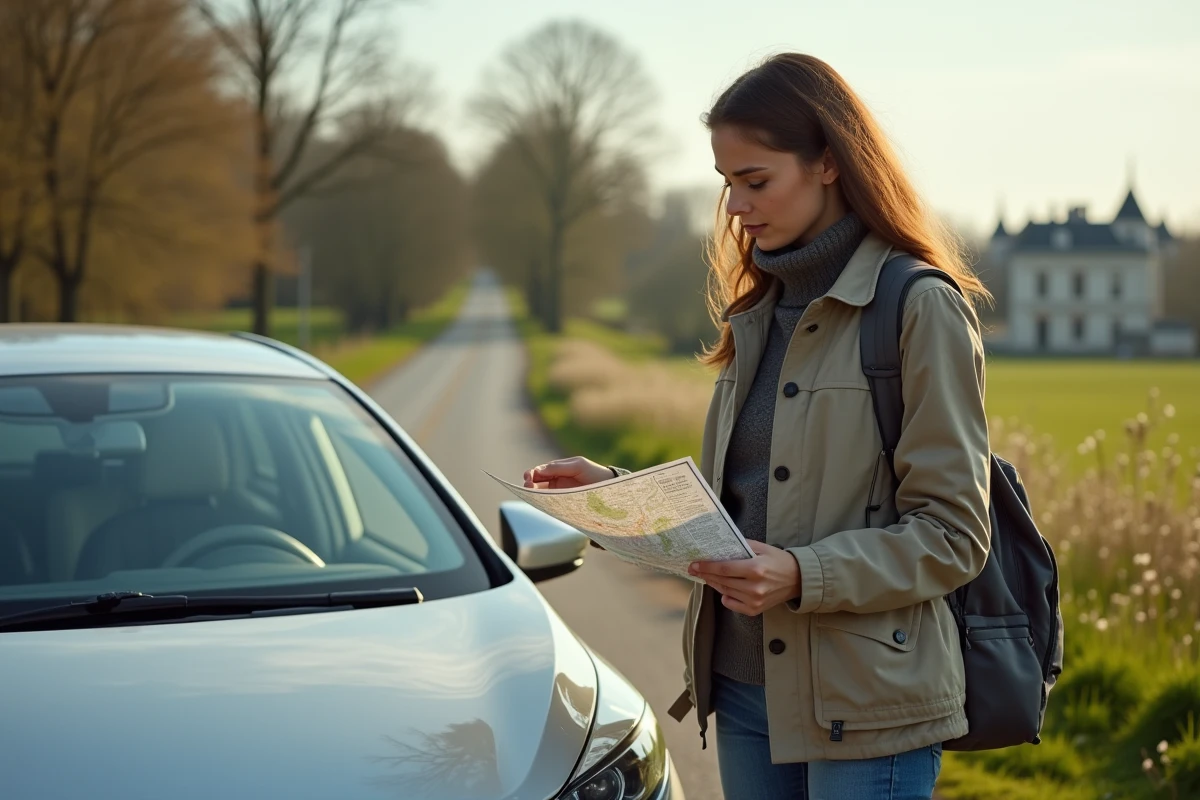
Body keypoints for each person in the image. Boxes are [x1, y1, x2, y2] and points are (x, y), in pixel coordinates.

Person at [523, 53, 992, 800]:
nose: (736, 206)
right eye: (726, 182)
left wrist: (803, 574)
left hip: (866, 707)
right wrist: (610, 498)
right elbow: (740, 512)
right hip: (743, 694)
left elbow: (954, 534)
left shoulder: (918, 306)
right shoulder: (755, 312)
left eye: (756, 180)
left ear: (829, 162)